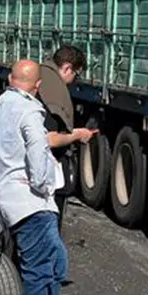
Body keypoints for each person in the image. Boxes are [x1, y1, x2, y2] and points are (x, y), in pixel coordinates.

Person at [0, 59, 78, 295]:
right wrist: (43, 186)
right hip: (30, 202)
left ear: (11, 79)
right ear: (38, 85)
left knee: (53, 262)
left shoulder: (1, 103)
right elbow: (38, 150)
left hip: (7, 195)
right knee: (40, 269)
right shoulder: (30, 110)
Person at [38, 44, 95, 237]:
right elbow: (50, 139)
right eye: (75, 75)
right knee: (47, 233)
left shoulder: (39, 76)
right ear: (67, 68)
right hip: (46, 175)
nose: (73, 81)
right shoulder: (54, 92)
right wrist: (78, 135)